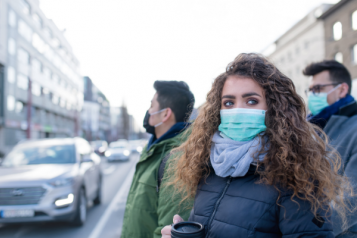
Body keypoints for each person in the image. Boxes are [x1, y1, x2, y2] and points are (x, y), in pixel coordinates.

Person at [161, 53, 350, 238]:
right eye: (228, 102)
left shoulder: (297, 176)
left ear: (274, 108)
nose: (237, 110)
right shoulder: (209, 166)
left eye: (251, 101)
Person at [121, 80, 195, 238]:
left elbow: (168, 228)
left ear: (165, 114)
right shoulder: (154, 148)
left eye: (151, 106)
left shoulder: (178, 159)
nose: (148, 111)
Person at [303, 60, 357, 237]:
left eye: (318, 89)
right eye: (310, 90)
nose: (312, 95)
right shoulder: (312, 129)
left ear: (341, 90)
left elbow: (350, 203)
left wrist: (306, 227)